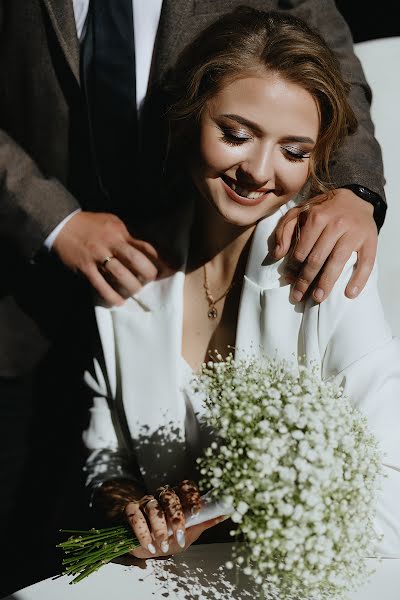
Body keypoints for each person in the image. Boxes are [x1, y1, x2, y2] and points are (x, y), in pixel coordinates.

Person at [0, 0, 388, 592]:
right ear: (190, 121)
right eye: (236, 134)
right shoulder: (132, 286)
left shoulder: (327, 275)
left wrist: (214, 511)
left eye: (294, 150)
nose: (259, 170)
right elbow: (106, 464)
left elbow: (384, 487)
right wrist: (131, 509)